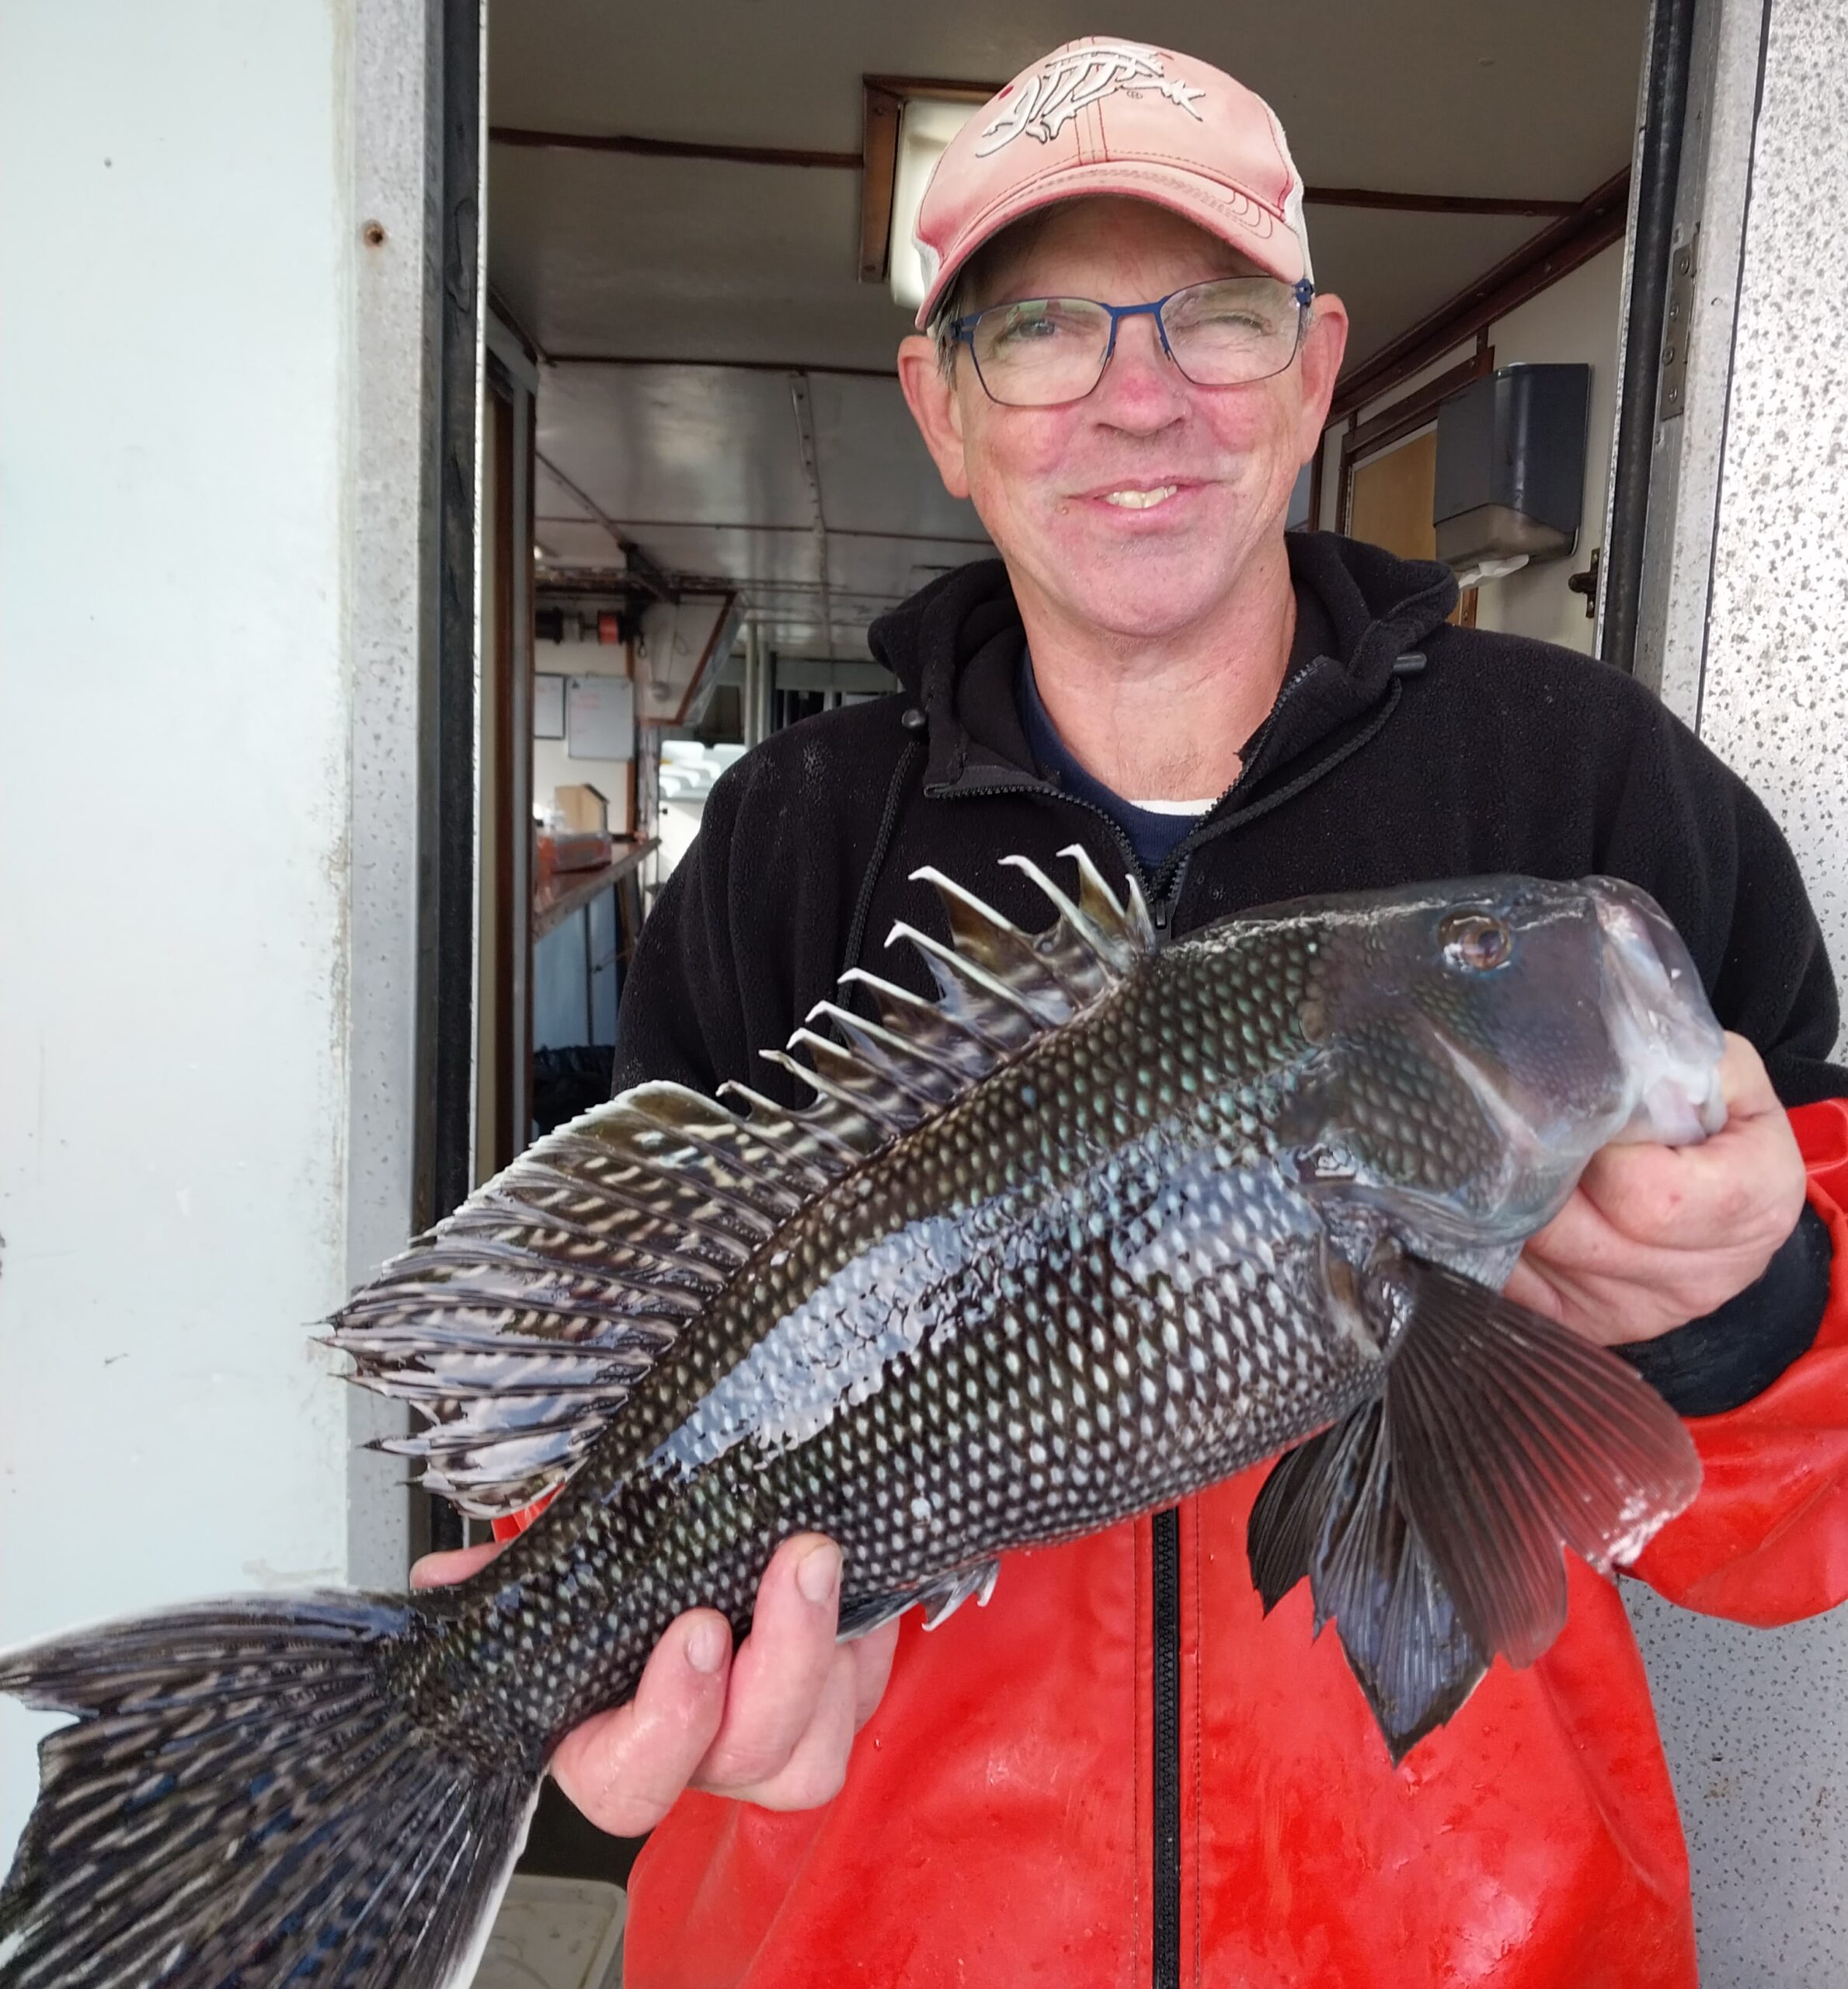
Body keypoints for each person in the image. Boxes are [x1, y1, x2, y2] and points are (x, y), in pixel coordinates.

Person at [420, 37, 1848, 1987]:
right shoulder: (790, 834)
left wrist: (1751, 1310)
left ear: (1318, 361)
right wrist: (614, 1654)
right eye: (1039, 332)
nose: (1138, 394)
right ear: (938, 402)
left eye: (1216, 316)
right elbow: (623, 1415)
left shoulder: (1589, 797)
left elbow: (1795, 1513)